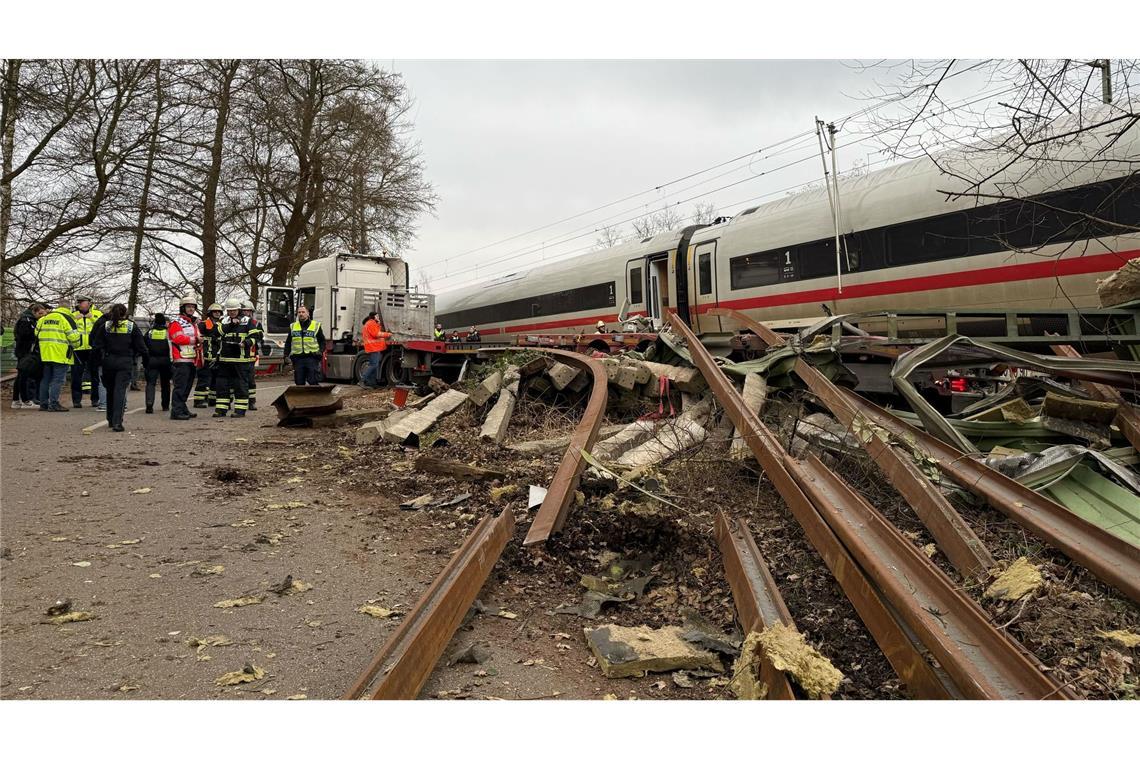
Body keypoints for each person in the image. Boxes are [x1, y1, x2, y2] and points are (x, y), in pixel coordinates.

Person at [91, 303, 147, 432]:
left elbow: (96, 346)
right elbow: (141, 347)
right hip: (125, 361)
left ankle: (110, 419)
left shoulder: (105, 326)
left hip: (108, 362)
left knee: (110, 391)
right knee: (120, 392)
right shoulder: (131, 326)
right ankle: (117, 422)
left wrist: (95, 363)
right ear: (125, 313)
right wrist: (144, 360)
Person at [35, 298, 82, 411]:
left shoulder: (45, 318)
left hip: (45, 354)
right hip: (61, 354)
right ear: (68, 307)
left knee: (45, 379)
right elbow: (74, 337)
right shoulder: (68, 318)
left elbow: (36, 333)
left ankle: (43, 404)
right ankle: (54, 404)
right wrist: (76, 345)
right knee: (58, 380)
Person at [212, 298, 255, 417]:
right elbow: (216, 333)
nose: (231, 312)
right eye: (230, 310)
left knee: (240, 386)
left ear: (239, 309)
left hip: (240, 360)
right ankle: (221, 410)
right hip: (224, 360)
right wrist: (231, 324)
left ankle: (240, 411)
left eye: (234, 310)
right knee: (222, 386)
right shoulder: (223, 320)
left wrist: (245, 343)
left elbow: (254, 337)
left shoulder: (247, 321)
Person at [167, 293, 202, 421]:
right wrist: (195, 340)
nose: (191, 309)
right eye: (188, 307)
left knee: (187, 387)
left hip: (191, 359)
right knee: (180, 387)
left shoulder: (193, 323)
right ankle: (176, 411)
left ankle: (182, 407)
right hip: (180, 359)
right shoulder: (177, 322)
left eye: (193, 307)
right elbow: (177, 338)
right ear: (183, 308)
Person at [70, 295, 105, 410]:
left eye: (83, 302)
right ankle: (76, 400)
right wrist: (76, 319)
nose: (80, 304)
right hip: (77, 349)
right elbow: (67, 328)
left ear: (89, 303)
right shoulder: (73, 315)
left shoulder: (97, 314)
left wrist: (92, 318)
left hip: (93, 348)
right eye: (79, 302)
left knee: (95, 375)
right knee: (76, 375)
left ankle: (95, 399)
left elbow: (103, 326)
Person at [13, 302, 47, 409]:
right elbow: (23, 335)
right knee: (23, 376)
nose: (42, 316)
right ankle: (24, 400)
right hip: (24, 352)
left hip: (26, 351)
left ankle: (17, 400)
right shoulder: (26, 320)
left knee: (22, 376)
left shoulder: (30, 320)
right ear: (34, 312)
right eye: (40, 313)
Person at [283, 304, 325, 386]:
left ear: (308, 313)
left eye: (303, 312)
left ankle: (315, 398)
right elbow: (288, 342)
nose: (301, 314)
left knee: (312, 380)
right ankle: (301, 399)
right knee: (299, 382)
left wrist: (320, 351)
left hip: (312, 357)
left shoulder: (315, 325)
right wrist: (285, 355)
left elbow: (322, 341)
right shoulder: (293, 326)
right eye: (299, 312)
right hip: (298, 359)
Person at [194, 303, 223, 408]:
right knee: (204, 379)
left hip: (217, 357)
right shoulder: (203, 324)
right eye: (215, 311)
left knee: (215, 379)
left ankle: (213, 400)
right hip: (205, 357)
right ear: (210, 313)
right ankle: (198, 400)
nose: (217, 313)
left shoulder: (221, 325)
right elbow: (198, 337)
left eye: (219, 312)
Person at [142, 313, 173, 414]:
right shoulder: (168, 333)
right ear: (164, 322)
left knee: (151, 383)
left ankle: (149, 405)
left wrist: (145, 361)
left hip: (152, 360)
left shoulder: (150, 333)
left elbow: (144, 347)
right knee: (165, 384)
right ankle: (165, 406)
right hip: (166, 361)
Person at [240, 299, 262, 410]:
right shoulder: (237, 323)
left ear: (251, 312)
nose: (246, 313)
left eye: (248, 311)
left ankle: (251, 401)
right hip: (239, 355)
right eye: (244, 311)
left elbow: (260, 338)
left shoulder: (257, 324)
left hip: (252, 355)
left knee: (251, 380)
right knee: (237, 379)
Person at [359, 312, 392, 388]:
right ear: (373, 317)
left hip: (372, 347)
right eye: (377, 316)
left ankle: (372, 383)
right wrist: (388, 334)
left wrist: (378, 324)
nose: (378, 317)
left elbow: (375, 332)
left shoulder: (370, 323)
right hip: (374, 347)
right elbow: (376, 334)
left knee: (373, 365)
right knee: (374, 365)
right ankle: (362, 380)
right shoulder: (371, 323)